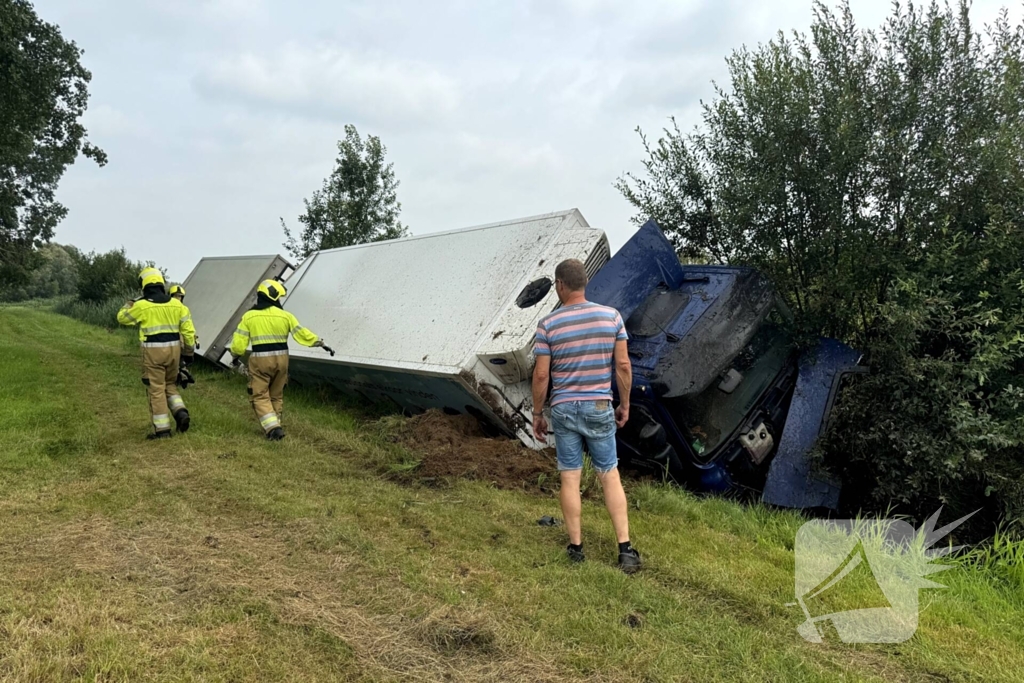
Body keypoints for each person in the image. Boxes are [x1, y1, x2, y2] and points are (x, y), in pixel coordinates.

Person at [531, 259, 641, 573]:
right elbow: (623, 367)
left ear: (560, 285)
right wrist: (625, 404)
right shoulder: (612, 318)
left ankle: (577, 548)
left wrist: (538, 413)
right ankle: (625, 550)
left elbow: (541, 376)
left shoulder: (548, 324)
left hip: (564, 408)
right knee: (609, 475)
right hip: (598, 406)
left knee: (570, 476)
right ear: (584, 283)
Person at [229, 279, 325, 440]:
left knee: (259, 395)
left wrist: (235, 357)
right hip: (282, 359)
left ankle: (273, 428)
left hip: (261, 360)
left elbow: (238, 344)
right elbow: (302, 334)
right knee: (276, 395)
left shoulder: (250, 316)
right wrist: (320, 342)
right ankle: (275, 425)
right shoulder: (286, 316)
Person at [117, 267, 196, 439]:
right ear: (161, 283)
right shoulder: (178, 305)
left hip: (153, 352)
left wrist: (131, 302)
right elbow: (189, 333)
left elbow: (121, 318)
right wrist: (189, 353)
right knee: (170, 384)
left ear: (144, 285)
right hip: (174, 351)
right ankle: (181, 412)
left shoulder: (141, 305)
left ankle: (162, 430)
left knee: (156, 389)